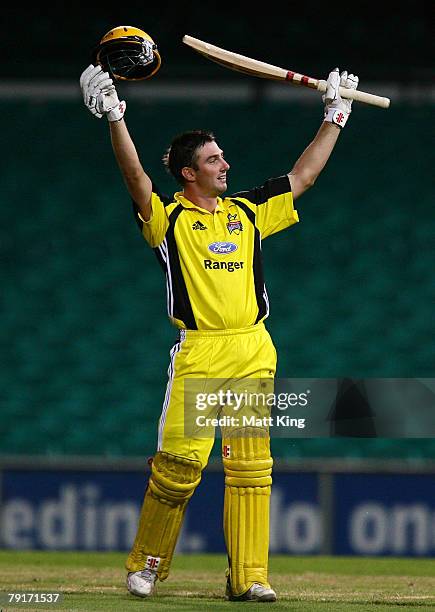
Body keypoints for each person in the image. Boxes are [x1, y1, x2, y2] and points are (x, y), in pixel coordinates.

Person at [79, 62, 358, 602]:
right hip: (201, 351)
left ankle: (249, 576)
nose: (225, 164)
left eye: (222, 157)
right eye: (213, 159)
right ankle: (148, 564)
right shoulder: (168, 220)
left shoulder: (247, 212)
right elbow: (137, 180)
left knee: (252, 468)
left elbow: (302, 178)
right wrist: (115, 115)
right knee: (180, 469)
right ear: (189, 173)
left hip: (253, 347)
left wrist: (336, 115)